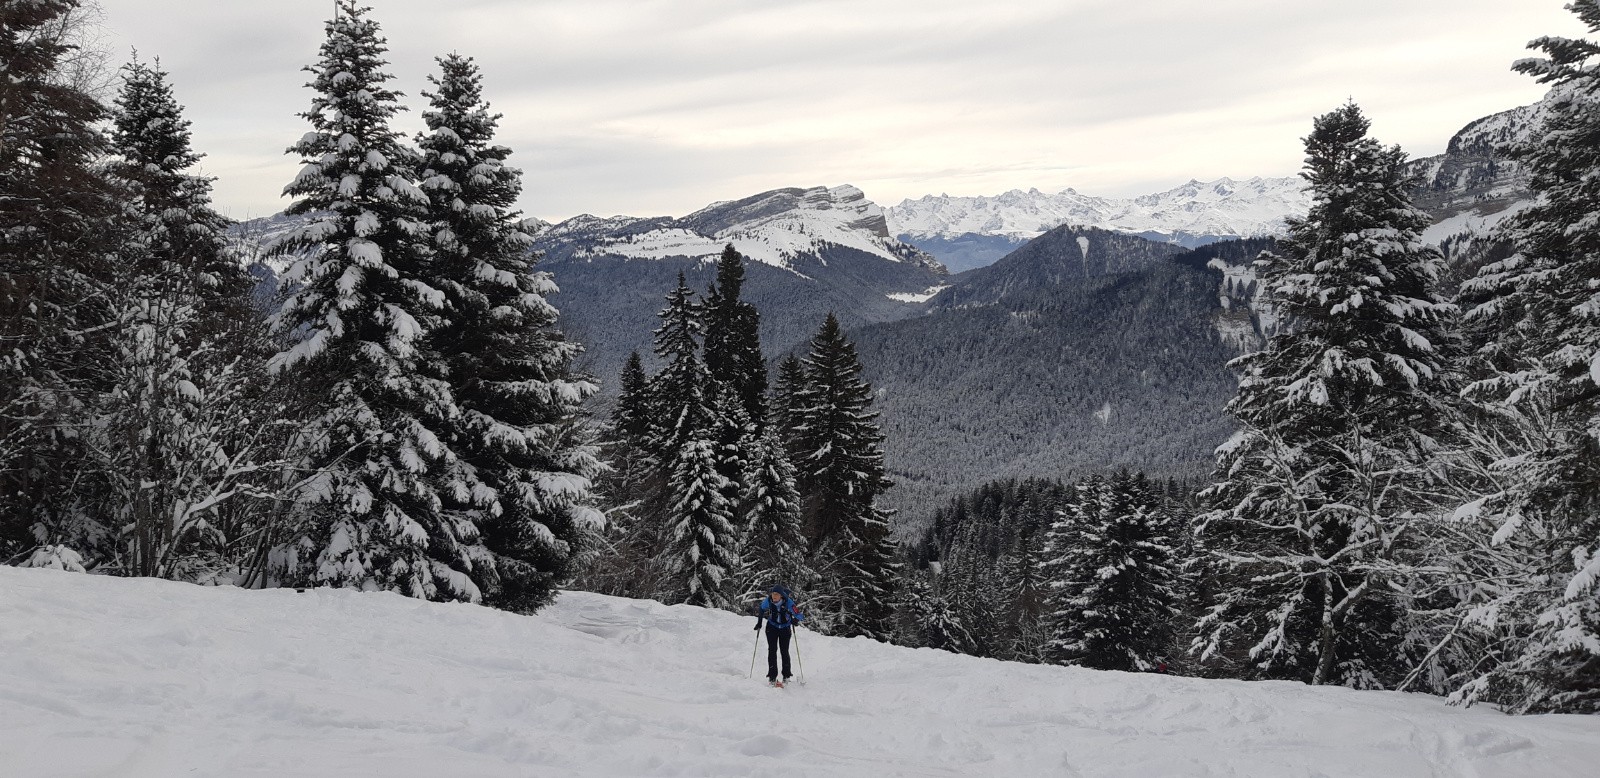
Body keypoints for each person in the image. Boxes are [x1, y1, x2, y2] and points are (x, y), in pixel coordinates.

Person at [754, 585, 803, 686]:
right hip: (772, 627)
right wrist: (759, 622)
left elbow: (799, 614)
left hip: (785, 628)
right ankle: (772, 677)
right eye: (773, 594)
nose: (774, 596)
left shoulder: (788, 602)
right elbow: (761, 609)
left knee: (784, 651)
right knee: (772, 651)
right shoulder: (768, 601)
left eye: (776, 594)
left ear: (781, 595)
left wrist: (795, 620)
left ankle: (786, 675)